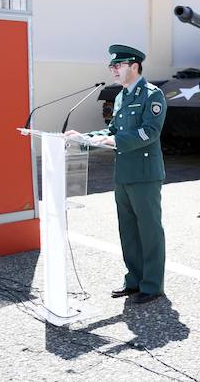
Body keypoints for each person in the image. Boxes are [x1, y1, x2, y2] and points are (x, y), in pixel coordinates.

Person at [66, 45, 167, 304]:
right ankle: (134, 281)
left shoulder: (152, 95)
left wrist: (114, 142)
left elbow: (149, 133)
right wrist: (83, 138)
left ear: (134, 66)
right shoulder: (122, 96)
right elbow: (111, 130)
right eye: (112, 66)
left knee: (149, 230)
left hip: (145, 174)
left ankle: (152, 284)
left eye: (118, 66)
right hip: (124, 173)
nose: (113, 70)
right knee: (128, 230)